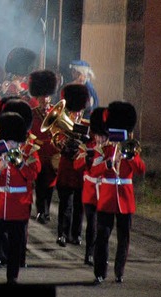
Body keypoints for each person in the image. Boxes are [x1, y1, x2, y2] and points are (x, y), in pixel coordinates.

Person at [0, 112, 41, 284]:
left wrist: (20, 164)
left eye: (13, 141)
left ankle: (12, 276)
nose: (10, 144)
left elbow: (33, 173)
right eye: (8, 141)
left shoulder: (29, 152)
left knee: (15, 245)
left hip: (18, 205)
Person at [91, 102, 145, 284]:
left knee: (124, 238)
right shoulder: (103, 150)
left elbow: (140, 169)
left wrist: (129, 156)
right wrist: (109, 161)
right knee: (102, 236)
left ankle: (119, 271)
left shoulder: (130, 150)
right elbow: (94, 171)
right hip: (107, 199)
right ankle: (100, 271)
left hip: (125, 199)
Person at [55, 84, 89, 247]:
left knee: (79, 206)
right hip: (67, 169)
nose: (76, 115)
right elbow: (56, 142)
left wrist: (83, 144)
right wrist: (64, 143)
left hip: (80, 171)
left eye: (79, 112)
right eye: (74, 112)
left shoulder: (87, 127)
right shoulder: (62, 125)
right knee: (65, 204)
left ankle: (76, 234)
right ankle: (62, 233)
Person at [74, 106, 107, 266]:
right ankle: (89, 254)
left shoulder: (112, 149)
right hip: (90, 191)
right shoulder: (87, 146)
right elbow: (76, 165)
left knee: (102, 228)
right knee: (92, 225)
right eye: (98, 135)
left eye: (103, 136)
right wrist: (86, 159)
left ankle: (100, 254)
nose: (100, 138)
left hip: (106, 192)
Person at [28, 70, 59, 224]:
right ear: (37, 97)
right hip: (38, 153)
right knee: (40, 185)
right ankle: (41, 211)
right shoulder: (32, 113)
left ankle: (46, 210)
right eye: (41, 97)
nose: (44, 100)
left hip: (52, 152)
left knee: (50, 186)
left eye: (46, 97)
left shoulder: (55, 112)